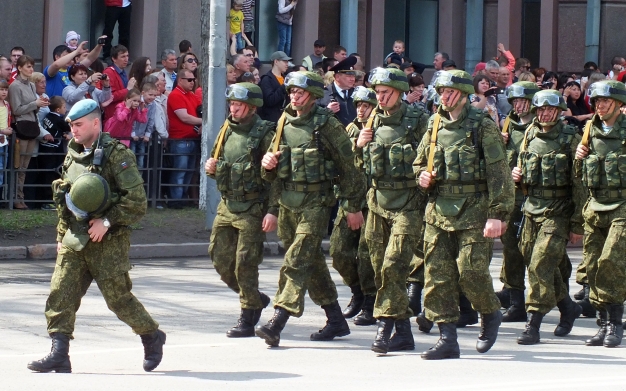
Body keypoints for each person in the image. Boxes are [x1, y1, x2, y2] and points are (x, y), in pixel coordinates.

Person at [26, 99, 165, 374]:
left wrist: (107, 220)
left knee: (118, 300)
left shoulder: (117, 155)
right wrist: (60, 234)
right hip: (74, 238)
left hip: (108, 241)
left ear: (95, 123)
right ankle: (59, 354)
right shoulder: (72, 153)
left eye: (78, 125)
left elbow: (137, 202)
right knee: (60, 294)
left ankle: (151, 335)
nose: (74, 130)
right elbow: (65, 197)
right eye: (72, 125)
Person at [256, 71, 366, 347]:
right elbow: (272, 169)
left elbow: (349, 167)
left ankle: (277, 320)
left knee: (296, 261)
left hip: (316, 204)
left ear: (314, 96)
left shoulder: (325, 124)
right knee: (312, 264)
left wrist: (352, 206)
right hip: (288, 205)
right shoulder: (283, 121)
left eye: (300, 92)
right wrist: (267, 164)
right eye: (292, 91)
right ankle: (336, 319)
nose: (294, 96)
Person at [414, 70, 515, 360]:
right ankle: (448, 338)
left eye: (449, 92)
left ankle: (489, 312)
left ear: (462, 93)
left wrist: (498, 214)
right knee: (437, 275)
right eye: (441, 91)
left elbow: (500, 174)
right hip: (439, 209)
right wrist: (421, 175)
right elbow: (419, 162)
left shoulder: (481, 126)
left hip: (474, 209)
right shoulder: (433, 124)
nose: (444, 97)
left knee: (471, 271)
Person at [356, 67, 429, 354]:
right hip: (378, 203)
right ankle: (404, 332)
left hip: (408, 203)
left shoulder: (419, 119)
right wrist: (359, 145)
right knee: (379, 269)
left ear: (399, 92)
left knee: (394, 265)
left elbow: (433, 158)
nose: (381, 98)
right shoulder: (371, 119)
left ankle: (384, 328)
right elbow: (361, 165)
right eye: (377, 93)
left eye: (385, 93)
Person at [204, 82, 278, 337]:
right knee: (220, 258)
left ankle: (248, 316)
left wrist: (273, 210)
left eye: (238, 105)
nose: (233, 109)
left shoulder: (264, 133)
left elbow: (276, 177)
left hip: (253, 205)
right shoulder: (226, 129)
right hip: (228, 204)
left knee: (245, 262)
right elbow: (218, 165)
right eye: (232, 104)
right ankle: (254, 297)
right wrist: (211, 169)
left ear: (252, 107)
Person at [512, 89, 584, 345]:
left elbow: (580, 184)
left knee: (540, 264)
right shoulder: (529, 134)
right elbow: (520, 165)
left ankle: (534, 323)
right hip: (531, 207)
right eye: (539, 109)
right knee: (536, 260)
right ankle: (567, 306)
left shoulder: (569, 139)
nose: (543, 114)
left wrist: (577, 223)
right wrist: (517, 176)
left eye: (549, 109)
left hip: (558, 210)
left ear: (559, 111)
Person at [575, 80, 626, 348]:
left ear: (619, 104)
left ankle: (615, 324)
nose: (600, 106)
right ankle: (603, 324)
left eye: (606, 101)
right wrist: (578, 156)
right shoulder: (588, 131)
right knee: (593, 265)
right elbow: (578, 176)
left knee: (611, 262)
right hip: (595, 207)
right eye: (597, 102)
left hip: (622, 206)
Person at [328, 86, 377, 326]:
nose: (361, 110)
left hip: (374, 202)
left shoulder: (382, 130)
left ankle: (370, 301)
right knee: (338, 251)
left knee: (367, 255)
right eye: (358, 105)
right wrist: (357, 144)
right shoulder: (350, 129)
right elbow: (342, 165)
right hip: (351, 200)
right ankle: (357, 292)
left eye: (366, 105)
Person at [494, 81, 540, 323]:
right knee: (511, 249)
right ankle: (515, 300)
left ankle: (549, 298)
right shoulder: (510, 125)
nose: (519, 106)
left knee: (536, 252)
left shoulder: (542, 126)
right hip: (513, 196)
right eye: (515, 102)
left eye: (523, 101)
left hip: (535, 199)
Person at [9, 55, 50, 210]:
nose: (31, 69)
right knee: (18, 165)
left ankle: (20, 197)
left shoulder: (32, 86)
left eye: (32, 66)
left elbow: (32, 107)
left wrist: (39, 104)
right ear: (19, 68)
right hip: (21, 126)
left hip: (32, 125)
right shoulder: (15, 86)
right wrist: (35, 103)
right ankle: (15, 197)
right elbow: (16, 110)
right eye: (28, 66)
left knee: (25, 166)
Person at [167, 69, 202, 209]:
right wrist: (203, 121)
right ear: (180, 80)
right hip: (180, 139)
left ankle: (181, 198)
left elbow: (196, 112)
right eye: (189, 80)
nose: (192, 82)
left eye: (193, 79)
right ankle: (176, 199)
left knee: (188, 171)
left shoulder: (192, 95)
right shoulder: (175, 95)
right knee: (180, 170)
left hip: (192, 139)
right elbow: (184, 117)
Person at [38, 96, 70, 204]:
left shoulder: (48, 116)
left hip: (45, 148)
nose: (65, 109)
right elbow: (67, 127)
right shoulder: (58, 119)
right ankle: (49, 200)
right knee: (52, 173)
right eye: (64, 107)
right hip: (54, 150)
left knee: (47, 173)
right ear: (58, 110)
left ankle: (45, 200)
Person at [318, 56, 357, 126]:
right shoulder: (322, 94)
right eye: (348, 76)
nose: (352, 79)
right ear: (337, 77)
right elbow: (311, 119)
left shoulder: (357, 93)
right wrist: (327, 111)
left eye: (353, 76)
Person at [103, 45, 137, 122]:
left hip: (124, 114)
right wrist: (127, 90)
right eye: (123, 56)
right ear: (114, 59)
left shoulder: (123, 72)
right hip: (114, 117)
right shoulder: (109, 72)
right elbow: (110, 96)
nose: (126, 59)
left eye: (127, 56)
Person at [130, 82, 160, 168]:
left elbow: (151, 120)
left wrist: (147, 134)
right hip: (133, 135)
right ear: (143, 93)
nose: (153, 97)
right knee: (132, 157)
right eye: (150, 95)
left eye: (155, 95)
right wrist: (133, 133)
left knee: (141, 160)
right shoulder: (138, 102)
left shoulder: (153, 105)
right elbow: (133, 119)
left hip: (142, 136)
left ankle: (140, 179)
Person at [258, 51, 289, 123]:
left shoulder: (285, 78)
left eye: (287, 62)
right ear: (276, 62)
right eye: (285, 61)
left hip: (284, 119)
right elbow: (269, 100)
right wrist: (284, 87)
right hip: (272, 121)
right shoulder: (266, 79)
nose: (287, 64)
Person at [0, 81, 12, 202]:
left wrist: (7, 130)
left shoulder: (7, 104)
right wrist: (3, 130)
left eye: (5, 89)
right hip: (2, 136)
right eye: (1, 89)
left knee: (2, 168)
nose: (4, 92)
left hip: (4, 141)